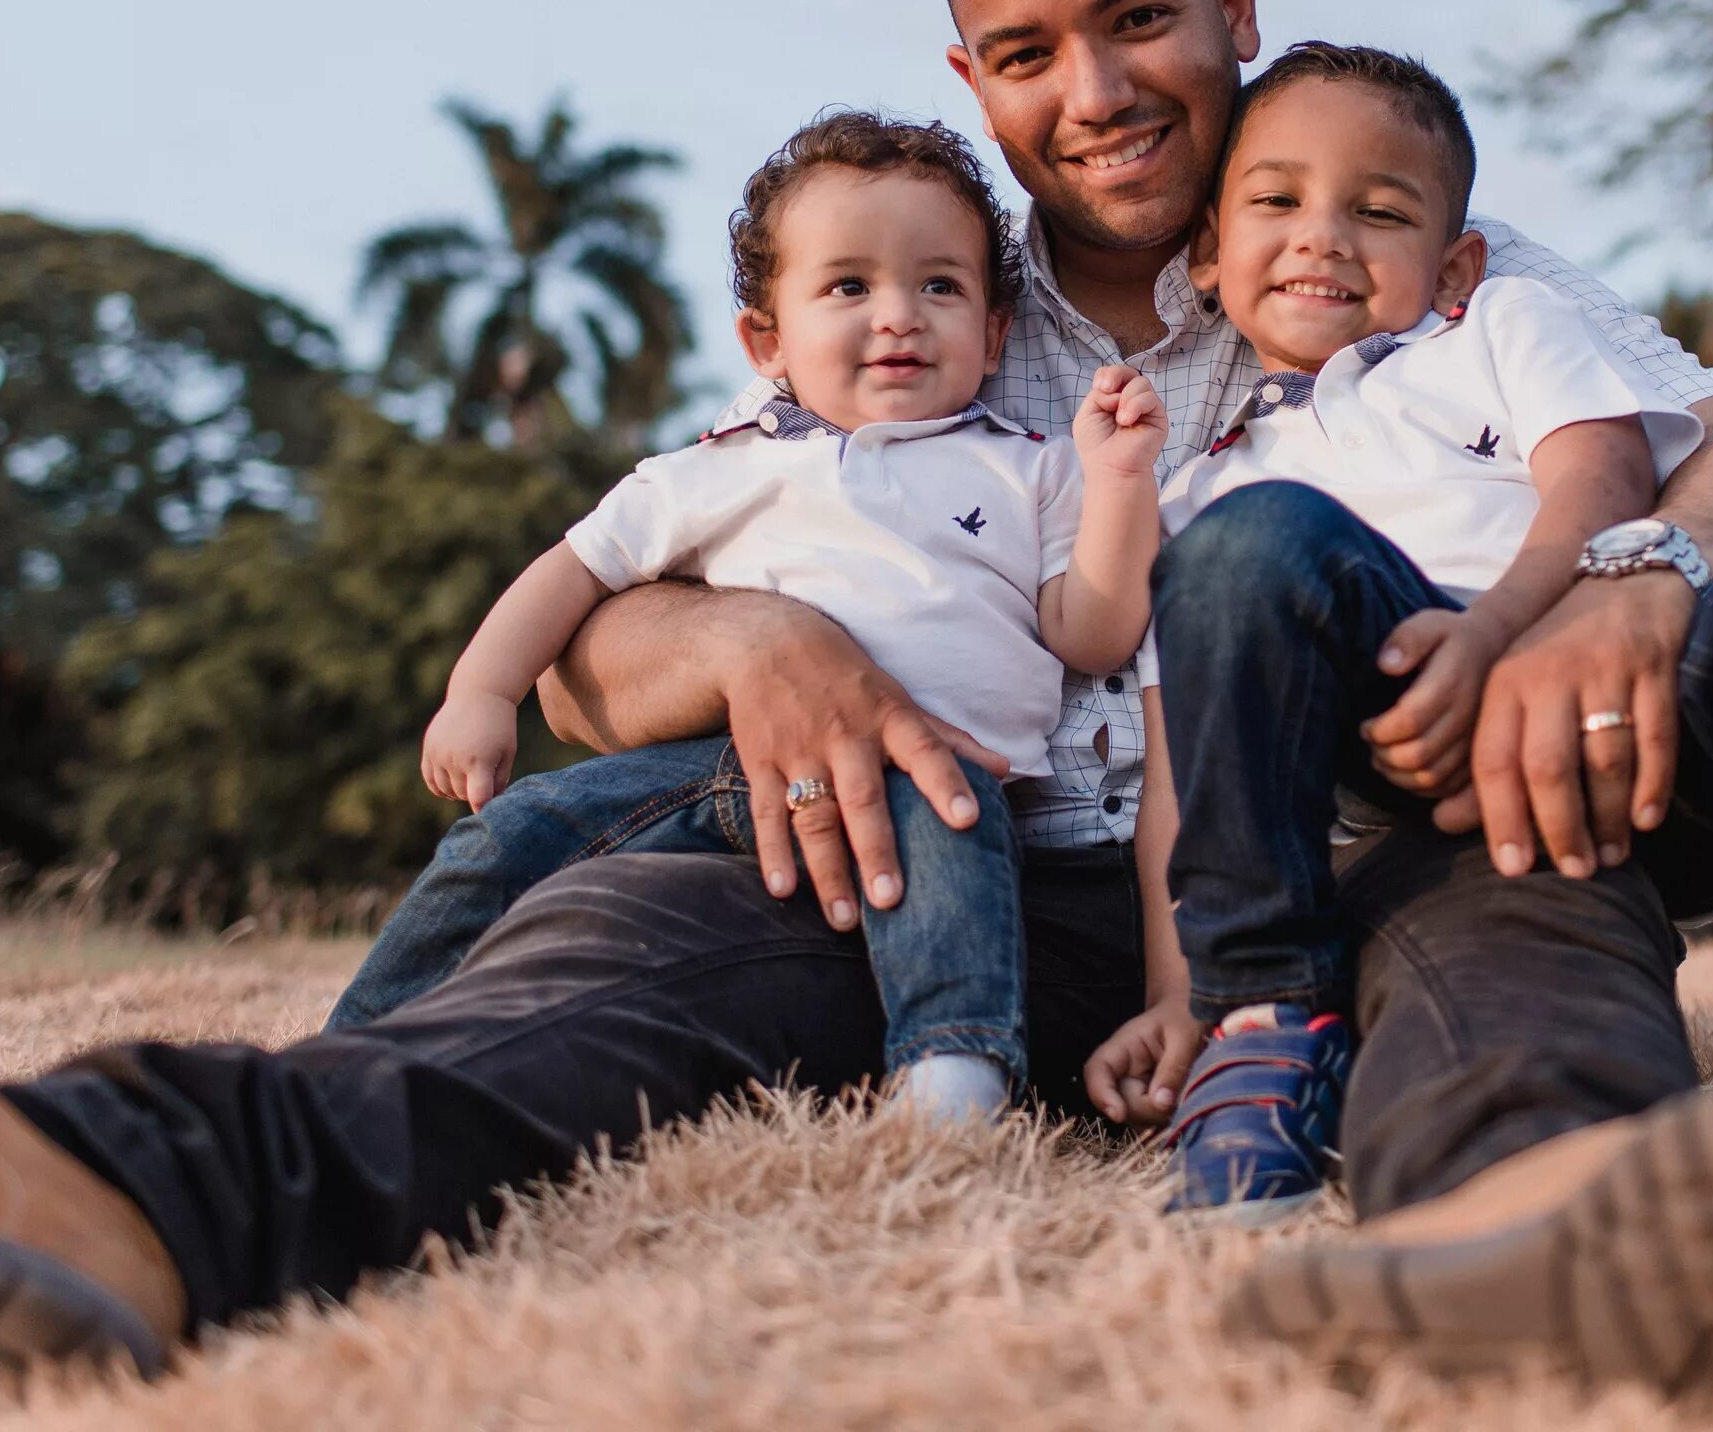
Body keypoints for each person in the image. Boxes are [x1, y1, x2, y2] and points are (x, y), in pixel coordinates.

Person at [0, 0, 1713, 1414]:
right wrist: (758, 650)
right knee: (607, 981)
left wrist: (1631, 579)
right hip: (946, 837)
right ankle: (71, 1199)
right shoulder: (901, 288)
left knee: (1516, 935)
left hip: (1332, 836)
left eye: (1135, 15)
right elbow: (607, 624)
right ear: (967, 74)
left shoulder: (1379, 231)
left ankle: (1545, 1233)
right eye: (1027, 46)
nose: (1092, 83)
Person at [324, 112, 1166, 1125]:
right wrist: (482, 690)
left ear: (992, 333)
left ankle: (955, 1075)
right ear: (767, 338)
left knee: (952, 817)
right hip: (729, 765)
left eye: (940, 284)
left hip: (948, 771)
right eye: (849, 286)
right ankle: (344, 1057)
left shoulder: (1030, 463)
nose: (899, 314)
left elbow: (1093, 632)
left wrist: (1119, 483)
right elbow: (574, 569)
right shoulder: (726, 458)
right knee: (507, 834)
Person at [1106, 41, 1705, 1218]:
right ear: (1210, 262)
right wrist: (1182, 988)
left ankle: (1543, 1199)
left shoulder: (1493, 334)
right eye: (1277, 202)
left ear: (1455, 263)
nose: (1325, 234)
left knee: (1526, 1015)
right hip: (1346, 807)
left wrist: (1504, 624)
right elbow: (1186, 764)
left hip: (1535, 728)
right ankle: (1264, 1021)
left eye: (1378, 212)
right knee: (1247, 544)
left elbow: (1604, 471)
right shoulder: (1200, 489)